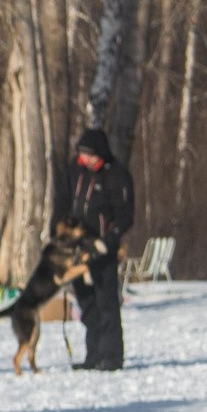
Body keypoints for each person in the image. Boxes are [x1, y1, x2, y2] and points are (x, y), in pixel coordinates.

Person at [55, 127, 134, 370]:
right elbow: (61, 203)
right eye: (82, 154)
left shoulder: (116, 174)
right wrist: (57, 234)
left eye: (90, 154)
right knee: (86, 302)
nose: (86, 159)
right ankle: (94, 355)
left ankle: (112, 357)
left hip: (102, 247)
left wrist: (107, 241)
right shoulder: (74, 170)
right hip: (77, 247)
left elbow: (125, 216)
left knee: (106, 302)